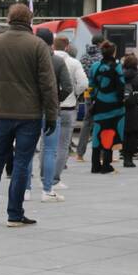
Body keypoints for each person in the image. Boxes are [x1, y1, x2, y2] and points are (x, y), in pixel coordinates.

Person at [0, 4, 58, 227]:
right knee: (22, 163)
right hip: (29, 113)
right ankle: (14, 214)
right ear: (30, 20)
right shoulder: (37, 45)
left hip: (2, 110)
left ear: (8, 19)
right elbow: (48, 84)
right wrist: (51, 114)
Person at [33, 28, 74, 199]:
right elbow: (68, 86)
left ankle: (26, 189)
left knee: (27, 151)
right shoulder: (57, 61)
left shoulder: (30, 59)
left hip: (30, 109)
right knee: (50, 149)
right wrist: (57, 99)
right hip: (51, 109)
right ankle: (47, 188)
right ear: (51, 43)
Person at [49, 35, 88, 193]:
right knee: (63, 145)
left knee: (46, 145)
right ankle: (55, 179)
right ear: (67, 47)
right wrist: (76, 94)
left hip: (49, 106)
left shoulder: (47, 59)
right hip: (68, 106)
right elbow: (84, 83)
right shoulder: (74, 62)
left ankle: (45, 177)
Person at [89, 41, 126, 174]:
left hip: (99, 104)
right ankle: (106, 165)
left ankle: (95, 165)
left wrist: (93, 98)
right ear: (114, 52)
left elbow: (91, 85)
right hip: (114, 106)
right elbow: (121, 85)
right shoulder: (117, 67)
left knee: (97, 132)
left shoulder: (95, 66)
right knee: (110, 132)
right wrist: (121, 100)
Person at [73, 34, 104, 162]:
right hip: (99, 93)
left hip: (87, 92)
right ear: (100, 43)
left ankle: (80, 154)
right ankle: (101, 154)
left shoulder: (83, 56)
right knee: (100, 122)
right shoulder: (101, 57)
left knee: (86, 122)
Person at [121, 53, 138, 168]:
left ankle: (124, 154)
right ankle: (130, 157)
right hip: (136, 107)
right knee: (134, 134)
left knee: (125, 133)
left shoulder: (121, 75)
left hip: (123, 107)